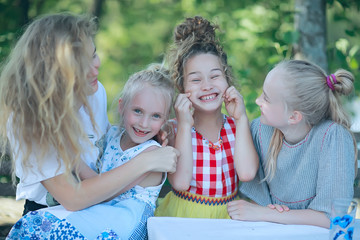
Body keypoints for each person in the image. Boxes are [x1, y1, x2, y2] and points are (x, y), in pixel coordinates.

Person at [0, 13, 178, 239]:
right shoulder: (28, 119)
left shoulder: (94, 92)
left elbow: (102, 152)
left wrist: (148, 138)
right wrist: (146, 161)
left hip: (103, 207)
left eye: (94, 55)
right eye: (82, 66)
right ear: (55, 74)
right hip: (56, 218)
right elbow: (73, 198)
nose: (95, 69)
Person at [228, 59, 357, 228]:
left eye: (266, 98)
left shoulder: (333, 138)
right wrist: (241, 118)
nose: (258, 101)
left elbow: (332, 218)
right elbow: (246, 174)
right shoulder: (261, 129)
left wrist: (266, 213)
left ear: (294, 117)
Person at [155, 16, 259, 219]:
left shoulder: (237, 127)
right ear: (182, 87)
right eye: (195, 79)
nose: (207, 86)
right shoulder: (174, 129)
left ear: (227, 79)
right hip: (185, 217)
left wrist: (242, 118)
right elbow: (181, 182)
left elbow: (246, 174)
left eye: (215, 76)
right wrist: (185, 125)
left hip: (227, 218)